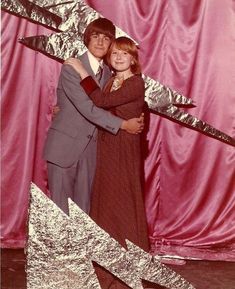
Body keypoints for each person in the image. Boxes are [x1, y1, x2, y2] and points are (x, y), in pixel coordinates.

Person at [65, 36, 149, 289]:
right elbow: (103, 111)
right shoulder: (113, 80)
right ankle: (109, 259)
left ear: (133, 58)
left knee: (122, 200)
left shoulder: (135, 82)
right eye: (115, 54)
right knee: (107, 201)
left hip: (123, 149)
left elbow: (100, 102)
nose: (119, 57)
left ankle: (130, 262)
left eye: (125, 53)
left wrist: (81, 70)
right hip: (109, 145)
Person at [43, 18, 144, 214]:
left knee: (84, 215)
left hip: (93, 152)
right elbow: (88, 108)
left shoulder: (111, 72)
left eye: (106, 39)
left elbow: (120, 101)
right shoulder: (72, 67)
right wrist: (124, 125)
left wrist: (138, 116)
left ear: (111, 44)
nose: (99, 42)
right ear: (87, 39)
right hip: (65, 149)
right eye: (95, 36)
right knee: (61, 214)